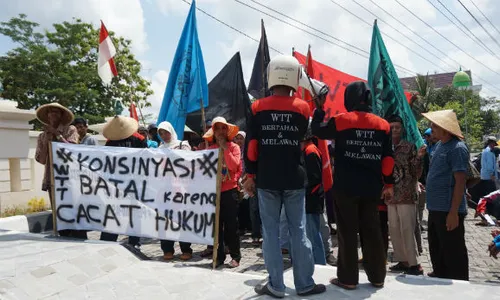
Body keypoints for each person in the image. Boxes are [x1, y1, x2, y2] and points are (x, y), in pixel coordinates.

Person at [244, 55, 325, 297]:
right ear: (294, 78)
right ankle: (304, 284)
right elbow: (303, 136)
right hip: (294, 178)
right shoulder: (302, 107)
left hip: (267, 179)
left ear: (271, 77)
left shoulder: (256, 107)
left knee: (270, 233)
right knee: (298, 231)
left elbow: (251, 147)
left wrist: (250, 174)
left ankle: (276, 286)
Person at [311, 81, 393, 290]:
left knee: (347, 232)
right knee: (372, 230)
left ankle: (348, 279)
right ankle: (377, 277)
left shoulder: (341, 121)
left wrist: (319, 109)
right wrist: (389, 184)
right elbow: (387, 159)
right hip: (372, 188)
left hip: (346, 187)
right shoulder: (383, 125)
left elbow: (318, 131)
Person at [421, 109, 469, 281]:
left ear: (445, 128)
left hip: (448, 209)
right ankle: (440, 273)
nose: (431, 128)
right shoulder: (441, 145)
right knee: (437, 247)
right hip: (435, 208)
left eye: (435, 125)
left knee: (453, 251)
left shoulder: (457, 148)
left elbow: (460, 181)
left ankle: (459, 282)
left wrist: (454, 212)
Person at [35, 103, 87, 239]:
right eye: (50, 112)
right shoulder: (41, 136)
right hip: (51, 178)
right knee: (58, 212)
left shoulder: (71, 130)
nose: (53, 114)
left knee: (74, 209)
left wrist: (57, 134)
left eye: (56, 112)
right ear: (47, 116)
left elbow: (71, 151)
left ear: (62, 115)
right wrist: (47, 137)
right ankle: (63, 238)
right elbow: (41, 159)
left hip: (69, 177)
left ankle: (79, 237)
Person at [386, 115, 426, 276]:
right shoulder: (385, 147)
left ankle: (414, 263)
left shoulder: (409, 147)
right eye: (392, 127)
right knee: (394, 229)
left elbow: (416, 172)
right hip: (390, 194)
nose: (394, 129)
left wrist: (419, 158)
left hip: (407, 193)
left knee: (407, 228)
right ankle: (402, 260)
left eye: (397, 127)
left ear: (402, 129)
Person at [99, 116, 146, 249]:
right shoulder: (111, 141)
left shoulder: (139, 139)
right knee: (114, 211)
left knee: (134, 212)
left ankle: (134, 241)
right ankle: (108, 240)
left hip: (135, 183)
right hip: (116, 183)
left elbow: (146, 160)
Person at [204, 117, 242, 268]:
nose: (220, 131)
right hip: (214, 193)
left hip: (230, 191)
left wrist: (225, 148)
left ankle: (235, 256)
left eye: (223, 128)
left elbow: (234, 166)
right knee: (216, 227)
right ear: (213, 131)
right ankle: (218, 256)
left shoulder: (234, 147)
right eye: (217, 128)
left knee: (232, 226)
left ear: (227, 130)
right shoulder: (209, 150)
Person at [156, 121, 193, 261]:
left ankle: (186, 249)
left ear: (171, 131)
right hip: (164, 189)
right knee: (165, 220)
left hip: (181, 189)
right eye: (161, 133)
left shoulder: (182, 145)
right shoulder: (159, 148)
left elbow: (189, 163)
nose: (164, 135)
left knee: (182, 220)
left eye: (166, 132)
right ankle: (167, 249)